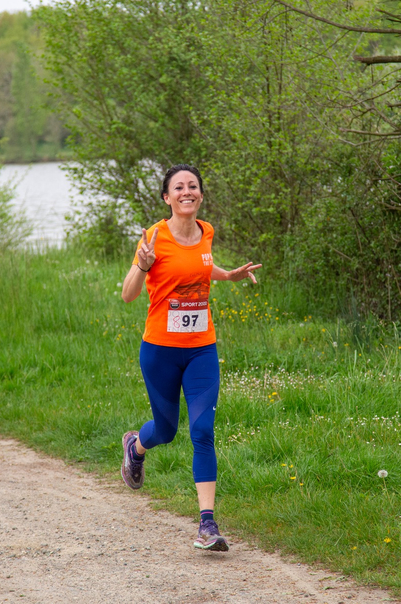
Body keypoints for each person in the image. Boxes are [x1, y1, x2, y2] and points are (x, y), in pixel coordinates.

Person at [120, 164, 261, 552]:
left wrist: (226, 275)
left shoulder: (207, 231)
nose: (187, 192)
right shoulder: (153, 237)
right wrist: (142, 265)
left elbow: (197, 265)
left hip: (202, 349)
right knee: (165, 431)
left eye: (193, 186)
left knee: (202, 431)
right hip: (160, 351)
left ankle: (207, 524)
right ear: (167, 197)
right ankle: (135, 446)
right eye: (178, 187)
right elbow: (128, 294)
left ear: (200, 194)